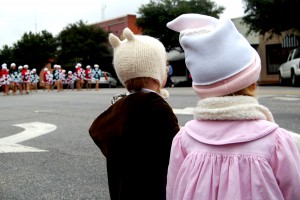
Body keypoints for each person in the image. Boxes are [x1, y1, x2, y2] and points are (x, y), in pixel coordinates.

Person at [166, 14, 300, 200]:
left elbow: (173, 192)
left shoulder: (183, 140)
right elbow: (293, 192)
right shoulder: (275, 141)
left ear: (203, 89)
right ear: (253, 84)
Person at [89, 27, 180, 200]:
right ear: (156, 72)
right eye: (165, 65)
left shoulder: (121, 104)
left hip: (122, 189)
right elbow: (176, 147)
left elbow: (98, 129)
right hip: (151, 188)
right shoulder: (156, 106)